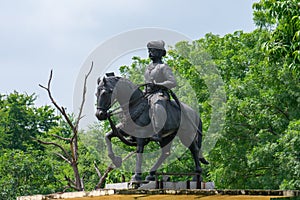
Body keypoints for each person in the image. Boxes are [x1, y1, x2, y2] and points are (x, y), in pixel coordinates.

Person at [144, 40, 177, 142]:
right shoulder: (148, 68)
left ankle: (158, 131)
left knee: (157, 104)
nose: (150, 53)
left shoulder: (164, 67)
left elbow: (172, 82)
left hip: (160, 94)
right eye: (149, 51)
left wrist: (158, 84)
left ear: (159, 52)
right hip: (147, 94)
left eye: (152, 50)